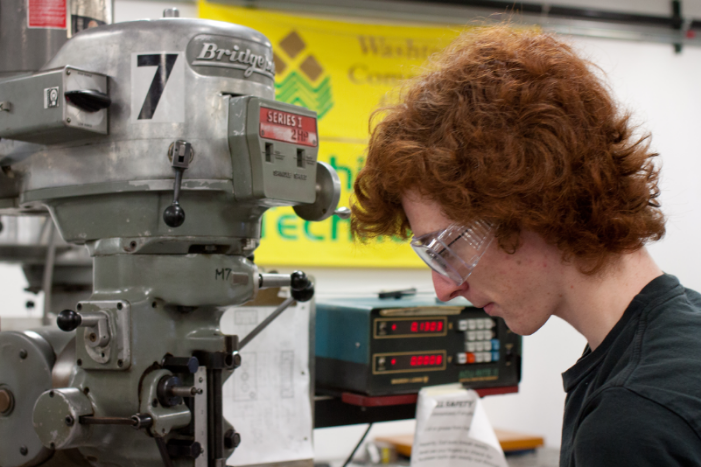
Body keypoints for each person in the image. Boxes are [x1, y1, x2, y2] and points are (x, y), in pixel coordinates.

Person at [350, 26, 701, 466]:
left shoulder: (632, 421)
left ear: (529, 203)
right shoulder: (681, 339)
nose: (444, 289)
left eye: (448, 248)